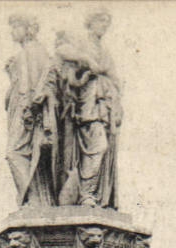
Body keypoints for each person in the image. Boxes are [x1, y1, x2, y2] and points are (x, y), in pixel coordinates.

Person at [53, 10, 122, 208]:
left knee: (100, 148)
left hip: (103, 106)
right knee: (97, 146)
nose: (104, 26)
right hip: (86, 104)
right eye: (100, 21)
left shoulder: (104, 51)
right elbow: (61, 51)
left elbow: (114, 77)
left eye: (106, 23)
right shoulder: (81, 42)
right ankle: (86, 194)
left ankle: (92, 194)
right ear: (90, 23)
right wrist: (85, 59)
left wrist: (115, 93)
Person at [4, 14, 58, 206]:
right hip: (22, 110)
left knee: (14, 153)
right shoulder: (28, 52)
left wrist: (29, 108)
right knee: (24, 153)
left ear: (27, 29)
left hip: (26, 112)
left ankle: (32, 198)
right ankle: (35, 199)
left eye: (16, 27)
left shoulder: (31, 51)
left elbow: (32, 85)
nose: (12, 32)